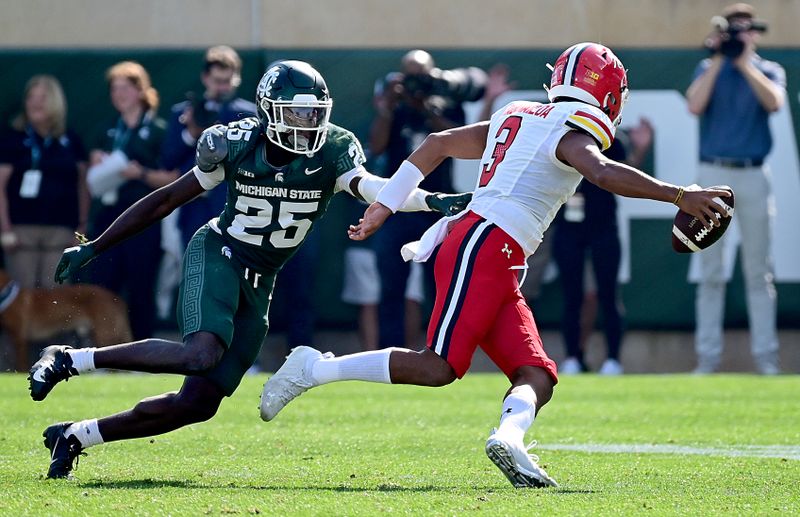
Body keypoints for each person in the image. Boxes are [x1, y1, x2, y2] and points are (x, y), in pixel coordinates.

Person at [260, 43, 732, 488]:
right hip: (484, 243)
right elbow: (603, 173)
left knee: (537, 375)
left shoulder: (522, 113)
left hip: (496, 252)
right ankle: (313, 368)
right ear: (605, 90)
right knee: (439, 366)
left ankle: (509, 440)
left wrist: (387, 202)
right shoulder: (570, 128)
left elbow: (439, 142)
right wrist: (679, 193)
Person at [27, 60, 471, 479]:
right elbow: (167, 199)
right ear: (272, 111)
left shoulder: (334, 148)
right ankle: (69, 358)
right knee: (201, 353)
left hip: (262, 279)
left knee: (198, 404)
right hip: (220, 250)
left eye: (314, 113)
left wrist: (427, 200)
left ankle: (76, 435)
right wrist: (98, 245)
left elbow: (373, 187)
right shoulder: (237, 143)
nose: (307, 124)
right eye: (296, 114)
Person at [685, 3, 785, 375]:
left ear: (755, 32)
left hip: (754, 173)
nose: (741, 36)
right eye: (734, 29)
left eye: (746, 29)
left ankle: (767, 360)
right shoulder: (709, 67)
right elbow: (694, 105)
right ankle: (707, 359)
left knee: (759, 271)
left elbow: (774, 102)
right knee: (710, 271)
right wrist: (717, 57)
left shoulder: (768, 69)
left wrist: (743, 61)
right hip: (713, 173)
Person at [369, 50, 487, 349]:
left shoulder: (447, 104)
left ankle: (440, 350)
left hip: (437, 208)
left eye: (421, 75)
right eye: (410, 75)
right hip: (400, 208)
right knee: (391, 287)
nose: (415, 83)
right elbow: (377, 147)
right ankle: (388, 353)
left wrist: (427, 108)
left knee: (440, 285)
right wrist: (387, 108)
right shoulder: (394, 108)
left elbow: (453, 143)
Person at [555, 119, 654, 375]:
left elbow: (624, 177)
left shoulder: (613, 139)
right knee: (571, 297)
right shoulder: (559, 137)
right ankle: (572, 358)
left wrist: (640, 149)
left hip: (603, 227)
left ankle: (612, 360)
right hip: (568, 227)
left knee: (609, 294)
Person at [84, 61, 169, 340]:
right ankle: (103, 350)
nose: (118, 94)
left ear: (140, 90)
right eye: (114, 88)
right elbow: (90, 176)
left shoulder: (158, 130)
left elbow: (173, 178)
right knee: (104, 284)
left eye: (125, 87)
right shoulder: (106, 129)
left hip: (144, 218)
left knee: (141, 284)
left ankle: (144, 348)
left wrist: (140, 173)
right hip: (109, 215)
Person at [161, 45, 256, 247]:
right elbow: (168, 160)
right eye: (217, 81)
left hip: (233, 206)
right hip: (193, 204)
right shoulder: (184, 113)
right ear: (205, 78)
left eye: (227, 81)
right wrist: (191, 133)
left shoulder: (249, 115)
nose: (222, 88)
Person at [0, 75, 89, 289]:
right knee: (22, 297)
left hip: (61, 232)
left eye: (42, 97)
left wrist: (81, 229)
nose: (35, 103)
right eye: (31, 97)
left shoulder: (70, 140)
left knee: (57, 296)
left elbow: (83, 186)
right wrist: (5, 229)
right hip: (21, 232)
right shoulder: (13, 138)